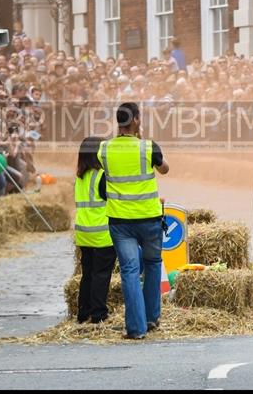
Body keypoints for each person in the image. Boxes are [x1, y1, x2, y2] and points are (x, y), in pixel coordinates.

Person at [98, 102, 170, 340]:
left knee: (129, 270)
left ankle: (136, 329)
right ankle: (152, 318)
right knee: (152, 264)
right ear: (137, 120)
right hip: (149, 218)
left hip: (120, 221)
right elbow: (165, 170)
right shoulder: (148, 147)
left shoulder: (104, 149)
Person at [74, 136, 116, 324]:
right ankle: (99, 314)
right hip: (102, 233)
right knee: (101, 274)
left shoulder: (80, 178)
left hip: (83, 233)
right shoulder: (102, 176)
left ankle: (83, 313)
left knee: (87, 274)